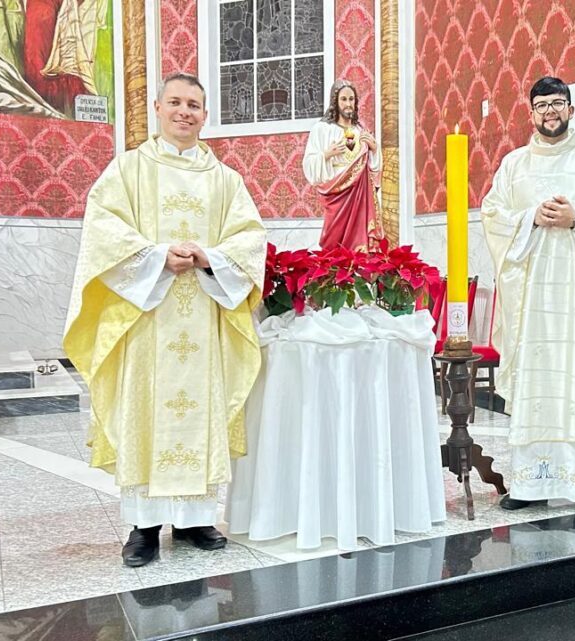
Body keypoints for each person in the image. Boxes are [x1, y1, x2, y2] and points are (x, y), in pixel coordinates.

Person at [64, 72, 266, 567]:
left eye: (194, 105)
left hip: (203, 316)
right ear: (156, 108)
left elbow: (249, 238)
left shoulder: (225, 180)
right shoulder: (128, 171)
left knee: (201, 410)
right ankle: (144, 526)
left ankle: (197, 518)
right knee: (147, 412)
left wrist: (208, 257)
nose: (185, 112)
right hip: (147, 319)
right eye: (175, 102)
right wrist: (156, 257)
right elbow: (103, 232)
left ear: (205, 114)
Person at [480, 76, 575, 521]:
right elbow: (493, 214)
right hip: (530, 306)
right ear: (530, 113)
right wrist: (531, 217)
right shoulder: (514, 165)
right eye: (541, 105)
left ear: (571, 109)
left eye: (557, 103)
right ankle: (530, 485)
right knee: (535, 387)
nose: (550, 111)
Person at [301, 79, 383, 251]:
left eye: (351, 99)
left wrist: (375, 150)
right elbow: (309, 163)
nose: (348, 104)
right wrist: (327, 154)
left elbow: (372, 170)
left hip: (360, 198)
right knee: (333, 241)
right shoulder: (322, 129)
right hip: (336, 195)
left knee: (359, 245)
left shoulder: (360, 131)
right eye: (344, 99)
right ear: (335, 102)